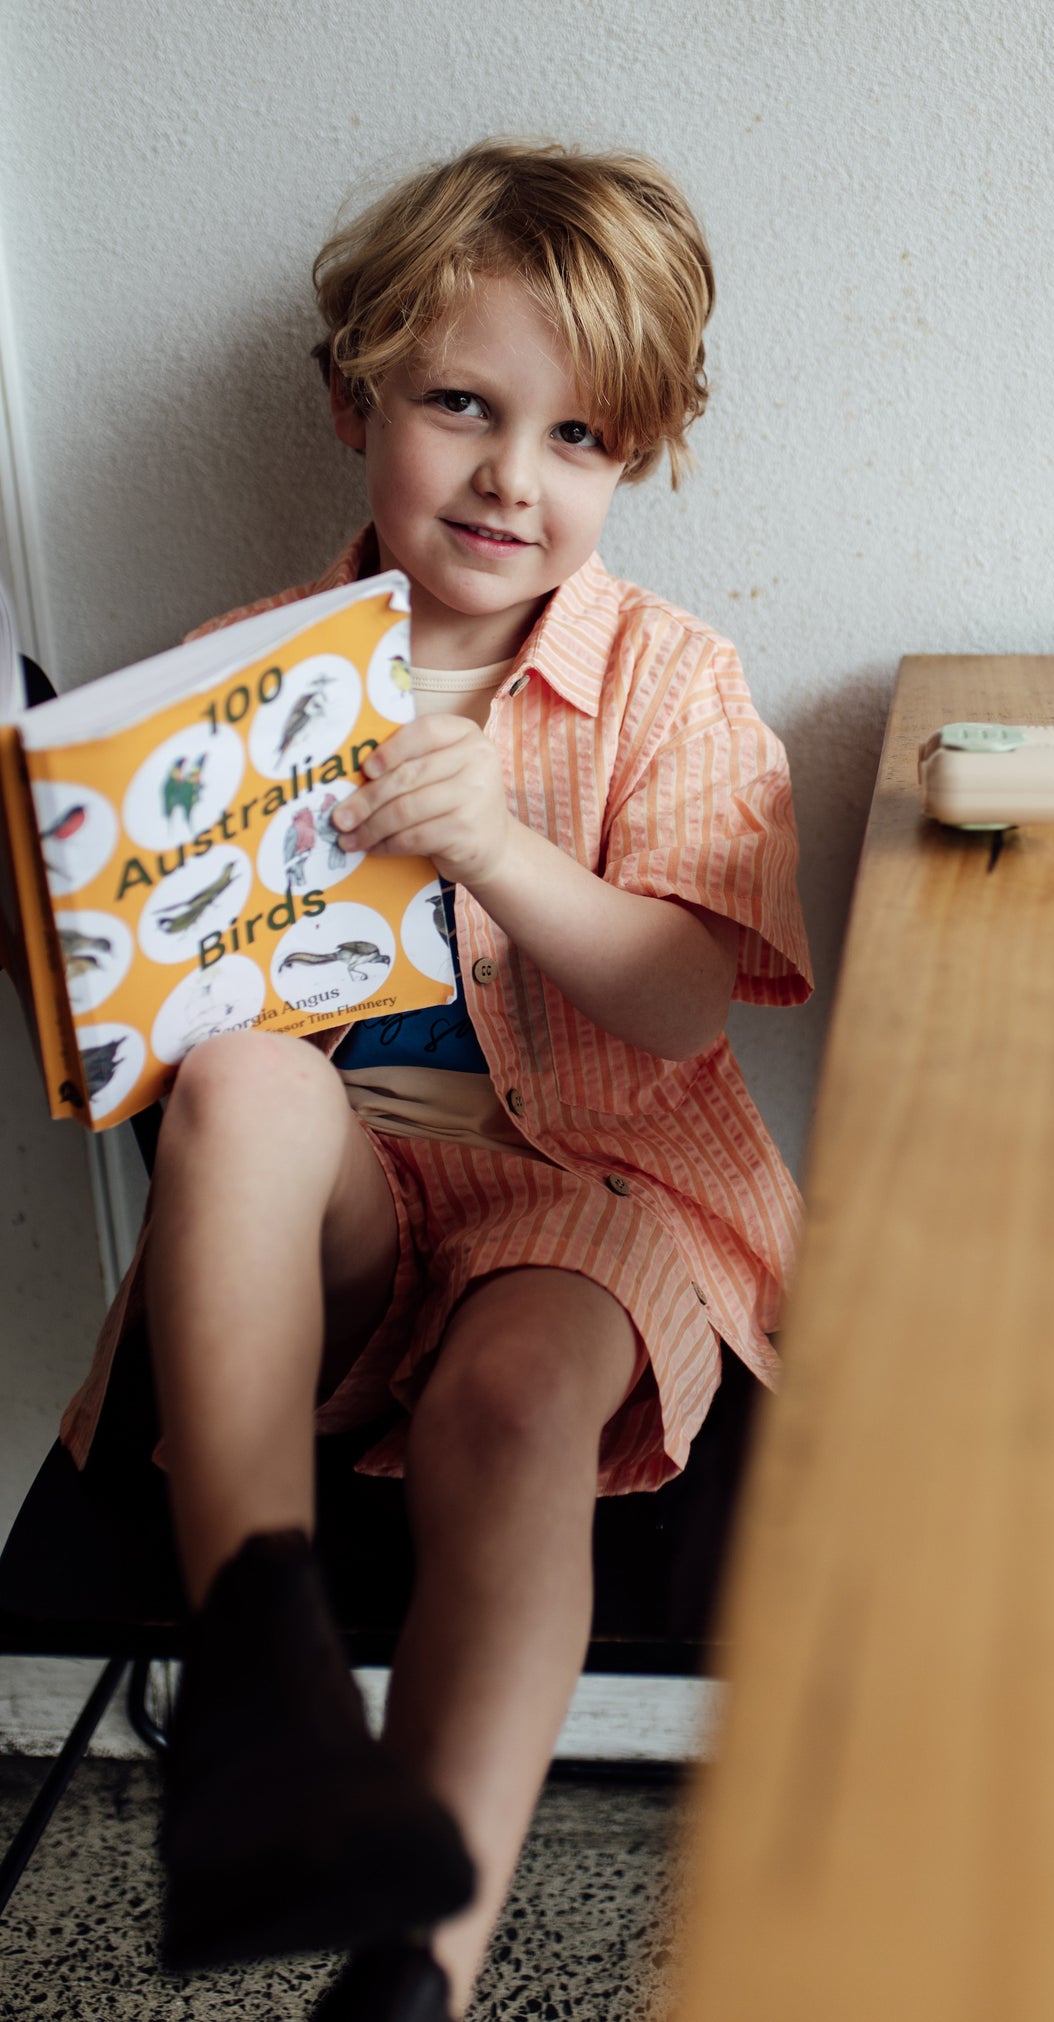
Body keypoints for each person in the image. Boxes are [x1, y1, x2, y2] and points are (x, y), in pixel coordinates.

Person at [57, 140, 812, 2020]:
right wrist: (67, 923)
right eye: (461, 406)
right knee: (231, 1081)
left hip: (598, 1197)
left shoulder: (668, 681)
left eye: (579, 439)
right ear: (353, 400)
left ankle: (423, 1956)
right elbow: (152, 1034)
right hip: (351, 1212)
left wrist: (497, 844)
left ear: (633, 462)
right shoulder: (229, 685)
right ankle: (267, 1673)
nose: (508, 476)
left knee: (515, 1405)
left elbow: (675, 1003)